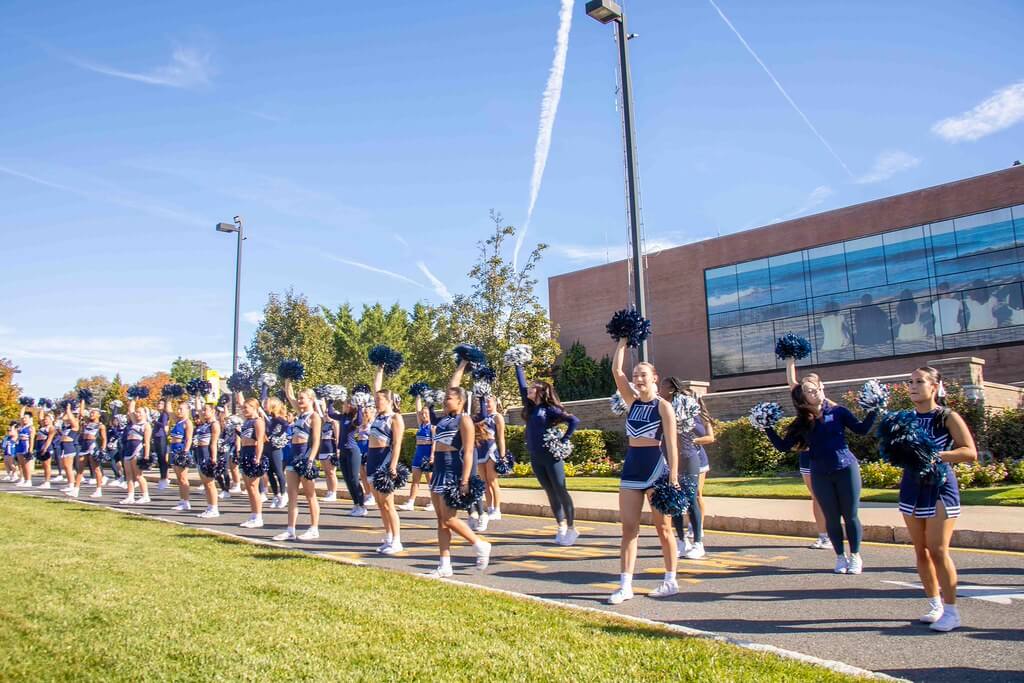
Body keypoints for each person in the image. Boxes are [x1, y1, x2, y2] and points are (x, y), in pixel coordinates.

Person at [765, 377, 878, 574]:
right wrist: (766, 427)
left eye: (816, 388)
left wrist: (874, 409)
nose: (815, 392)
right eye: (809, 391)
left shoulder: (838, 411)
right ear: (802, 399)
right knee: (831, 517)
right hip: (820, 473)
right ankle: (840, 557)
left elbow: (861, 430)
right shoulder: (801, 423)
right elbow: (783, 446)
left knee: (850, 515)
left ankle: (856, 556)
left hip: (846, 468)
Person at [901, 366, 978, 632]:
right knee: (920, 550)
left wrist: (936, 455)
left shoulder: (947, 416)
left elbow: (970, 452)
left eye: (919, 381)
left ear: (934, 387)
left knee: (938, 549)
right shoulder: (904, 419)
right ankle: (935, 605)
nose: (912, 386)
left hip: (940, 485)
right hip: (912, 486)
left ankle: (952, 610)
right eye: (910, 382)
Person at [608, 337, 680, 604]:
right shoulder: (632, 401)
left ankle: (670, 580)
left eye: (643, 375)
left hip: (655, 469)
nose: (638, 379)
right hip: (631, 468)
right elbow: (617, 372)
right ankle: (625, 585)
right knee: (629, 529)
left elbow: (671, 444)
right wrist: (623, 342)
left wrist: (672, 476)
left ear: (654, 378)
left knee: (663, 528)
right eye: (636, 374)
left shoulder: (663, 406)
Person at [423, 361, 492, 577]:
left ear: (461, 401)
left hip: (453, 472)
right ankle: (444, 565)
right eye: (444, 398)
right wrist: (461, 364)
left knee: (449, 519)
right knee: (440, 520)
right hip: (439, 471)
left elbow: (469, 453)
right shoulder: (444, 421)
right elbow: (452, 384)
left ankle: (479, 543)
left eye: (449, 398)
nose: (445, 400)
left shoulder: (465, 420)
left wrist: (464, 481)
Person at [514, 358, 581, 545]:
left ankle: (571, 527)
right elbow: (521, 384)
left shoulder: (549, 409)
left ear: (541, 391)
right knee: (549, 491)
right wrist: (517, 364)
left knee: (560, 489)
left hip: (551, 456)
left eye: (532, 387)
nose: (528, 389)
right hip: (536, 457)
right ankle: (560, 525)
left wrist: (564, 439)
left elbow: (574, 421)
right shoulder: (530, 407)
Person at [662, 378, 713, 559]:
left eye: (665, 387)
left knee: (691, 498)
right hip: (669, 459)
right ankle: (682, 542)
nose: (662, 390)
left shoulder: (686, 410)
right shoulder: (661, 409)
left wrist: (690, 435)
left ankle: (698, 543)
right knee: (674, 501)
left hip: (689, 457)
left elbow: (704, 434)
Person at [785, 359, 832, 550]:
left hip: (825, 456)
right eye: (805, 385)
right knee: (816, 496)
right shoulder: (799, 398)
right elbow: (790, 379)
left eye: (812, 385)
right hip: (807, 455)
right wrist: (790, 359)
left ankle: (832, 533)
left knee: (829, 496)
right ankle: (823, 535)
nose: (808, 388)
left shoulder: (829, 405)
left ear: (820, 386)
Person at [364, 366, 405, 554]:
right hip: (371, 460)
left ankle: (397, 540)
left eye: (380, 400)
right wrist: (379, 370)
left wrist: (393, 465)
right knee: (380, 504)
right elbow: (376, 387)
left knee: (389, 504)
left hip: (384, 460)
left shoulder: (395, 418)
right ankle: (388, 536)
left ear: (389, 401)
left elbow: (396, 444)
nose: (376, 402)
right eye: (375, 399)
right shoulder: (378, 417)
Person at [276, 382, 322, 541]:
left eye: (303, 398)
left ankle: (314, 528)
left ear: (311, 400)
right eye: (300, 398)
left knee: (310, 495)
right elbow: (289, 395)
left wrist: (310, 460)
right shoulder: (300, 414)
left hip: (305, 455)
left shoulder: (314, 416)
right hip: (292, 456)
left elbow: (316, 441)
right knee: (292, 494)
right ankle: (290, 530)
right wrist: (288, 379)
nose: (300, 401)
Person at [327, 398, 368, 517]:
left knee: (354, 479)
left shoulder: (353, 419)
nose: (343, 406)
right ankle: (356, 504)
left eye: (344, 404)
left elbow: (359, 421)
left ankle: (362, 506)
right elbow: (330, 414)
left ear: (350, 406)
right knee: (347, 479)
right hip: (343, 451)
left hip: (352, 451)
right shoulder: (342, 417)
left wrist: (360, 407)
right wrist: (330, 402)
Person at [398, 401, 435, 513]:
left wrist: (432, 456)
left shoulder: (432, 427)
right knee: (415, 480)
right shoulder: (421, 425)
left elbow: (435, 443)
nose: (424, 415)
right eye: (422, 413)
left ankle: (433, 502)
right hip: (418, 454)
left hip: (427, 454)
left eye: (426, 413)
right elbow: (417, 411)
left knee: (430, 481)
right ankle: (411, 502)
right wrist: (417, 397)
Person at [238, 398, 268, 528]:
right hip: (244, 452)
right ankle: (253, 515)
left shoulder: (258, 421)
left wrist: (257, 458)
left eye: (246, 408)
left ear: (254, 407)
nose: (244, 410)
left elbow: (260, 441)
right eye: (243, 408)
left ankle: (258, 517)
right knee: (248, 487)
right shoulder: (246, 422)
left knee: (254, 487)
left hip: (253, 453)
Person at [478, 394, 506, 525]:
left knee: (492, 480)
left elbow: (501, 438)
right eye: (485, 403)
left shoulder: (497, 417)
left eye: (489, 403)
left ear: (495, 403)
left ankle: (497, 509)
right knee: (484, 482)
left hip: (491, 449)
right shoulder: (480, 417)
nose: (487, 405)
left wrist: (502, 455)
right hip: (480, 450)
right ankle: (489, 508)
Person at [72, 404, 107, 498]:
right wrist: (83, 400)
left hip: (93, 446)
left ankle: (98, 490)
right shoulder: (86, 423)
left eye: (94, 413)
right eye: (91, 412)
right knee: (80, 468)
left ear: (98, 415)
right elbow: (82, 414)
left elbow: (104, 439)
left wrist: (102, 450)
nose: (91, 414)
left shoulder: (101, 426)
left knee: (96, 468)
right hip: (84, 446)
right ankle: (76, 490)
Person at [119, 405, 152, 505]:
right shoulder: (134, 423)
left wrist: (146, 456)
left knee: (138, 475)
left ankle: (145, 496)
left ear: (145, 414)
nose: (137, 414)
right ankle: (130, 496)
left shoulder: (146, 425)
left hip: (137, 449)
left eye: (140, 412)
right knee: (128, 475)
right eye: (136, 412)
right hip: (128, 449)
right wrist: (133, 398)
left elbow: (147, 442)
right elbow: (130, 410)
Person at [194, 404, 222, 519]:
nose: (204, 412)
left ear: (213, 411)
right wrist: (197, 395)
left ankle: (214, 508)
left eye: (206, 410)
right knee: (205, 483)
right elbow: (198, 409)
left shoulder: (214, 424)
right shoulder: (204, 424)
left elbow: (214, 443)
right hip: (199, 452)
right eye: (203, 410)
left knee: (210, 483)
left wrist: (213, 459)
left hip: (207, 452)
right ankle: (209, 507)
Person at [168, 401, 194, 511]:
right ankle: (182, 500)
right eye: (178, 408)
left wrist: (185, 452)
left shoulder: (187, 423)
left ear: (188, 410)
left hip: (181, 449)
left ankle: (186, 501)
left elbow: (188, 439)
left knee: (183, 478)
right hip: (174, 449)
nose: (178, 411)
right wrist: (169, 399)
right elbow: (169, 411)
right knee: (179, 478)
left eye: (181, 409)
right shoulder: (178, 421)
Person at [316, 399, 341, 503]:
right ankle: (329, 491)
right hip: (323, 448)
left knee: (331, 472)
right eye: (325, 413)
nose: (326, 414)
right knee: (326, 472)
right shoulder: (323, 423)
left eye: (327, 413)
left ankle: (334, 492)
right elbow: (319, 409)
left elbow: (338, 437)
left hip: (331, 448)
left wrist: (338, 450)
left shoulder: (334, 423)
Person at [57, 402, 80, 496]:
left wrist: (69, 409)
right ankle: (69, 483)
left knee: (68, 466)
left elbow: (70, 418)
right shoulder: (65, 425)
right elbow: (64, 418)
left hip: (69, 446)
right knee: (65, 466)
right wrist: (65, 409)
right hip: (63, 445)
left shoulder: (75, 426)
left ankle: (71, 485)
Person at [32, 412, 58, 489]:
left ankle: (47, 482)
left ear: (51, 420)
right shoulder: (42, 426)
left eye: (47, 419)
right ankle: (45, 481)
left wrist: (45, 448)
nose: (45, 421)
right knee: (44, 465)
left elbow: (49, 439)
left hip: (46, 447)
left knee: (47, 465)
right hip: (39, 446)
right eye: (45, 419)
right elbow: (40, 416)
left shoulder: (51, 428)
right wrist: (42, 408)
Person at [152, 399, 171, 490]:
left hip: (161, 437)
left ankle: (164, 478)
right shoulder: (159, 414)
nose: (159, 404)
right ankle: (164, 477)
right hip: (157, 436)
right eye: (158, 403)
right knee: (160, 458)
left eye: (161, 403)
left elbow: (163, 424)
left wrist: (155, 422)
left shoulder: (164, 414)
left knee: (162, 458)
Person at [14, 412, 34, 487]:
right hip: (19, 446)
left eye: (26, 418)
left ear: (30, 419)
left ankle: (29, 480)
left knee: (26, 465)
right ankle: (25, 480)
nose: (24, 419)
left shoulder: (31, 427)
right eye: (23, 418)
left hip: (26, 446)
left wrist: (30, 450)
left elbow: (31, 439)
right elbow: (20, 416)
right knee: (22, 465)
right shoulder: (22, 427)